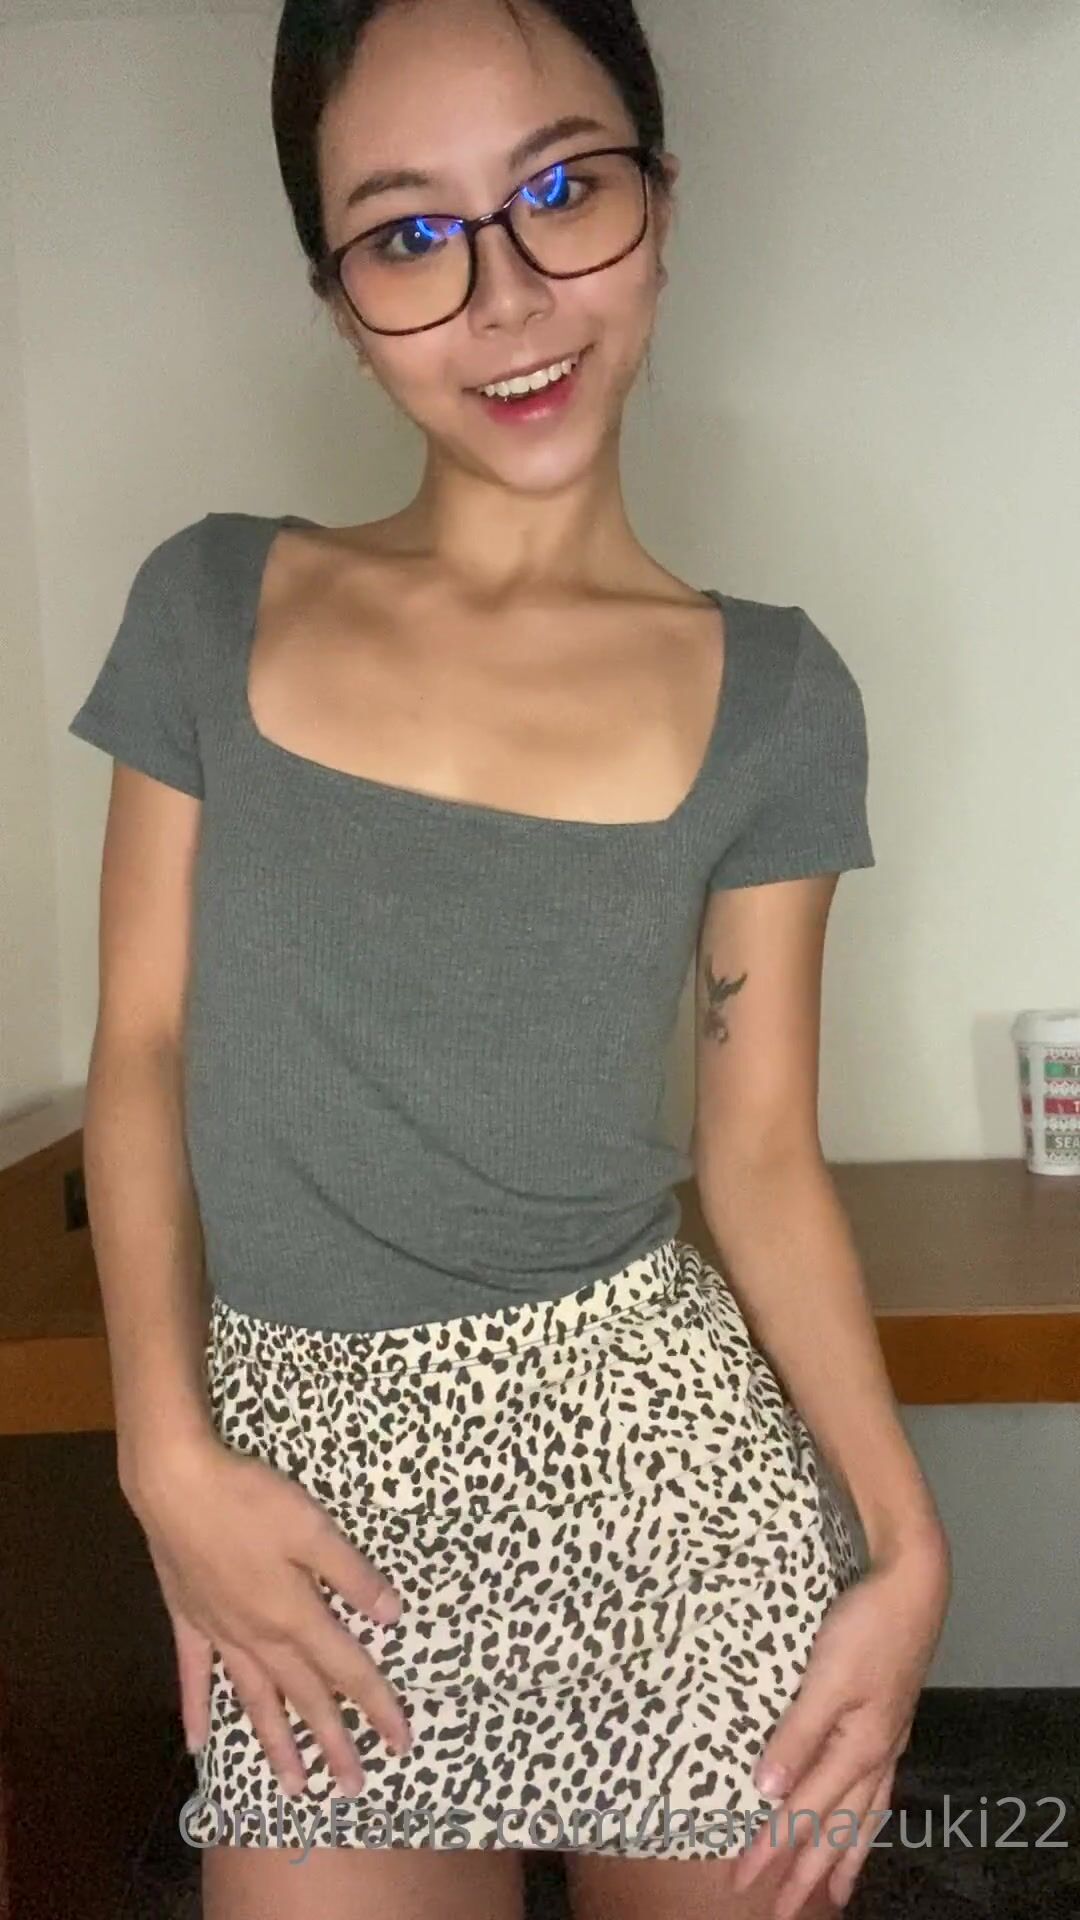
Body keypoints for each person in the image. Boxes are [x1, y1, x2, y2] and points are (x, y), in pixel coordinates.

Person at [67, 1, 951, 1916]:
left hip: (665, 1490)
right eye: (408, 234)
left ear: (662, 201)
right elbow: (138, 1054)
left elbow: (761, 1157)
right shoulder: (209, 603)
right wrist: (165, 1462)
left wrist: (906, 1544)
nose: (507, 297)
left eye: (562, 191)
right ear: (337, 296)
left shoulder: (779, 694)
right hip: (295, 1497)